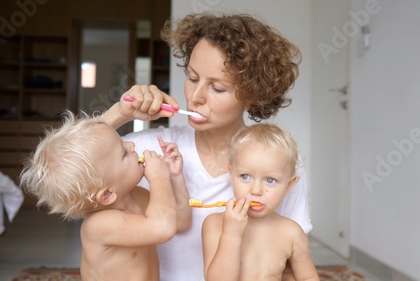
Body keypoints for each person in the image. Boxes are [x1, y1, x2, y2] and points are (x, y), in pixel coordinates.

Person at [102, 12, 312, 280]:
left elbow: (291, 264)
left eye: (217, 88)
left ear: (251, 97)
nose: (195, 97)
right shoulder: (146, 148)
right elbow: (56, 166)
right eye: (192, 78)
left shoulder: (279, 162)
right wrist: (118, 114)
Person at [19, 110, 191, 281]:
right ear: (107, 194)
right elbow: (162, 229)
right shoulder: (99, 225)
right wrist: (159, 178)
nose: (132, 145)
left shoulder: (138, 196)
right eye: (123, 153)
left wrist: (175, 176)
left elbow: (180, 222)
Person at [202, 123, 319, 281]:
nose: (256, 190)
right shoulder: (215, 224)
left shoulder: (292, 232)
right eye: (245, 176)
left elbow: (308, 277)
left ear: (289, 185)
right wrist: (231, 235)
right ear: (231, 175)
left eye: (270, 180)